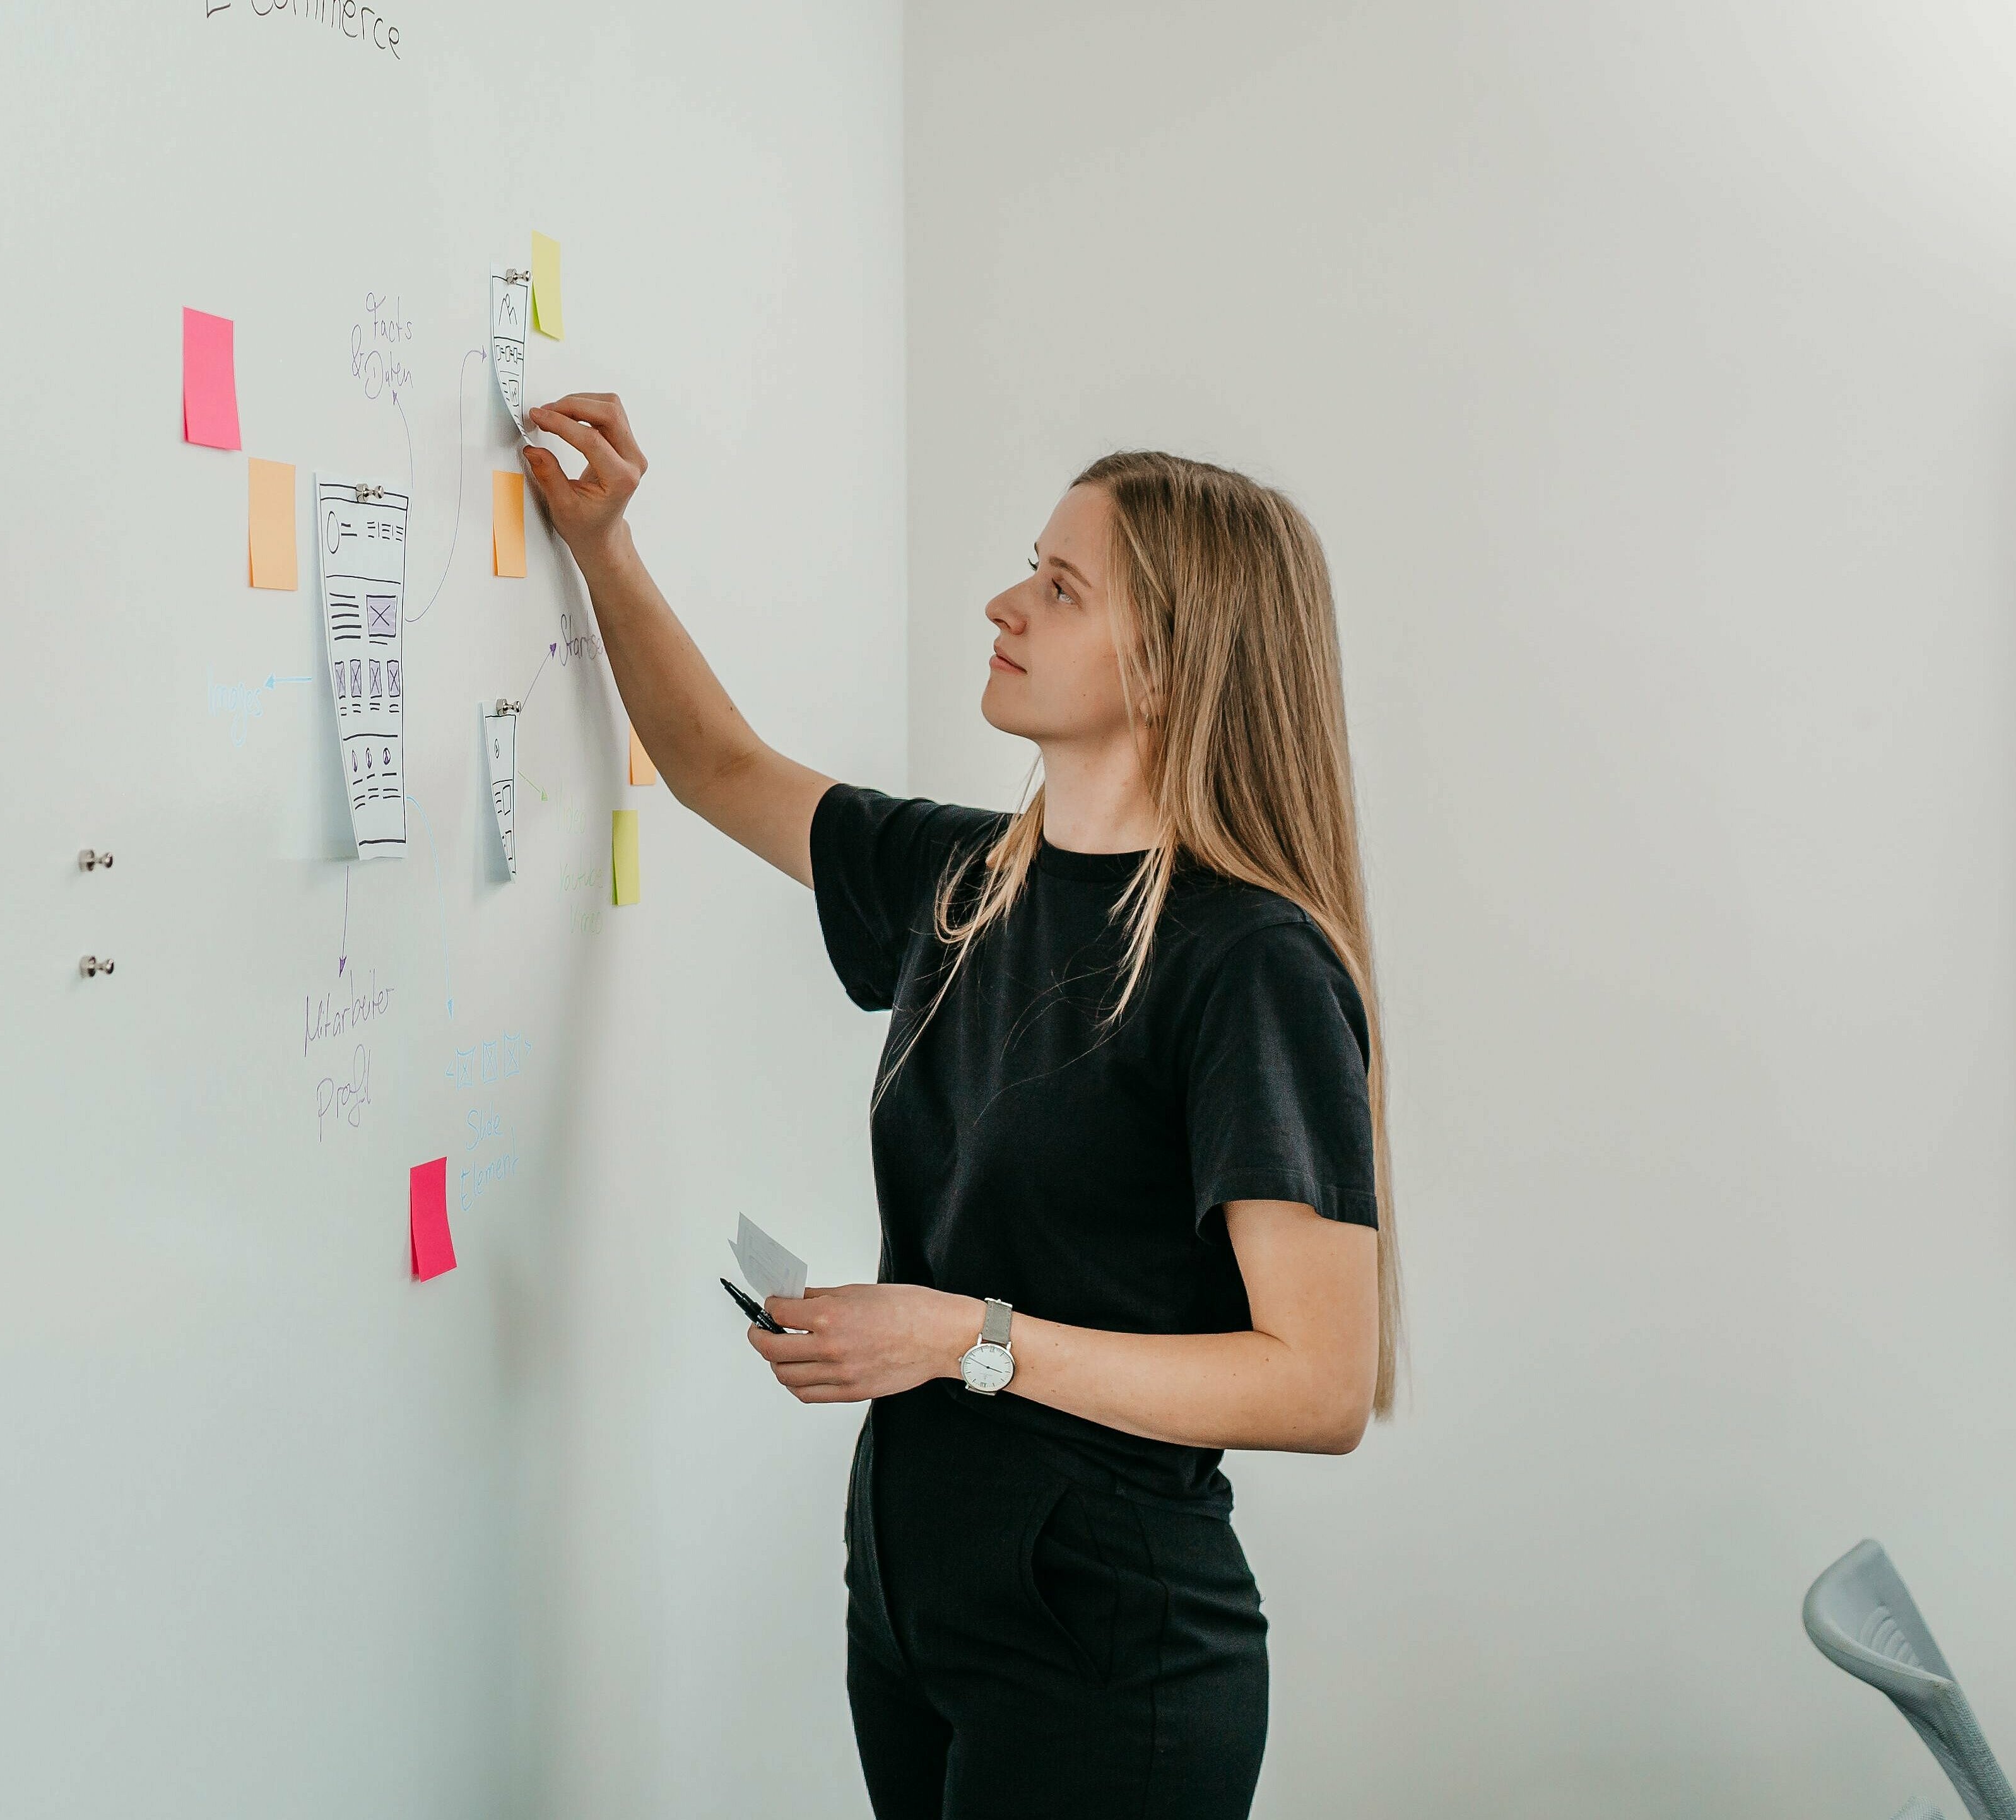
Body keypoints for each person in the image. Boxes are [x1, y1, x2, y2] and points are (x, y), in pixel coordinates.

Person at [519, 396, 1393, 1820]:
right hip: (916, 1587)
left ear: (1172, 663)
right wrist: (604, 546)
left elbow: (1316, 1383)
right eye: (1026, 568)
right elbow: (717, 770)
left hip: (1104, 1639)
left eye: (1059, 588)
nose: (1005, 603)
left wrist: (958, 1338)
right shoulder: (966, 880)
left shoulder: (1250, 964)